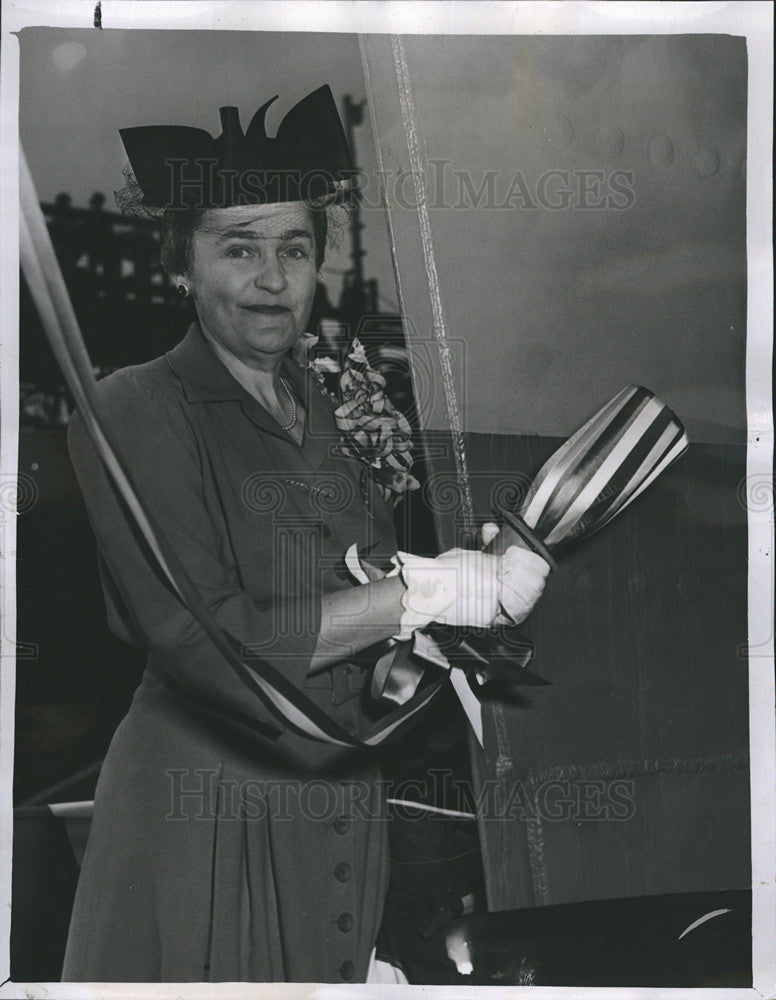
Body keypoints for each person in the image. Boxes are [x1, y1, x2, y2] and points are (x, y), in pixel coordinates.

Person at [60, 86, 550, 984]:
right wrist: (420, 593)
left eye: (294, 248)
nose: (272, 277)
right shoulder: (135, 407)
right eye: (238, 248)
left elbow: (359, 632)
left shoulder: (319, 403)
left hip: (336, 808)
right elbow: (212, 640)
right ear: (180, 265)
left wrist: (446, 625)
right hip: (207, 819)